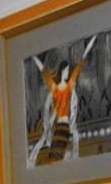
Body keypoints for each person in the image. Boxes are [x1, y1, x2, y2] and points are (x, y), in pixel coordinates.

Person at [29, 35, 96, 166]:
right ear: (62, 71)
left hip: (64, 126)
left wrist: (91, 43)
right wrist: (32, 56)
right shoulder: (56, 87)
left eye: (68, 70)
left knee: (57, 155)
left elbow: (80, 64)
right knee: (54, 156)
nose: (67, 72)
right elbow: (43, 70)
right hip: (59, 126)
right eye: (66, 70)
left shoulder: (67, 85)